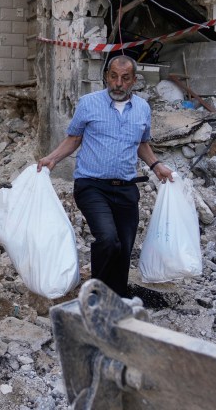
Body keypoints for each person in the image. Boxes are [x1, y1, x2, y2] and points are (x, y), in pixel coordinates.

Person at [37, 55, 174, 297]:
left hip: (126, 188)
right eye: (113, 77)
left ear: (133, 81)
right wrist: (52, 159)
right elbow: (74, 138)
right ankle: (95, 294)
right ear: (106, 77)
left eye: (124, 78)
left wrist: (156, 165)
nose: (118, 83)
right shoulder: (89, 103)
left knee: (124, 247)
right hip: (91, 186)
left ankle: (117, 300)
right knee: (108, 239)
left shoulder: (142, 108)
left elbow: (142, 144)